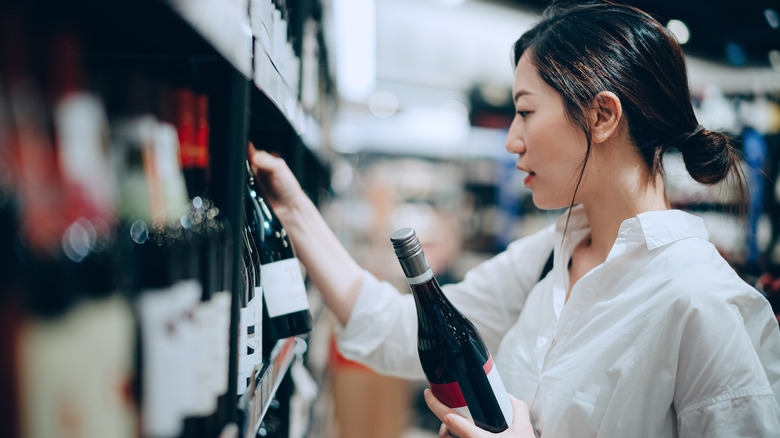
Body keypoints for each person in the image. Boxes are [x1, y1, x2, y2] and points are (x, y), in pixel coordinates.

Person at [249, 1, 780, 436]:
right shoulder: (548, 256)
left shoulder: (704, 304)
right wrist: (291, 204)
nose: (510, 140)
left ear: (602, 116)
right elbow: (394, 329)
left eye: (525, 111)